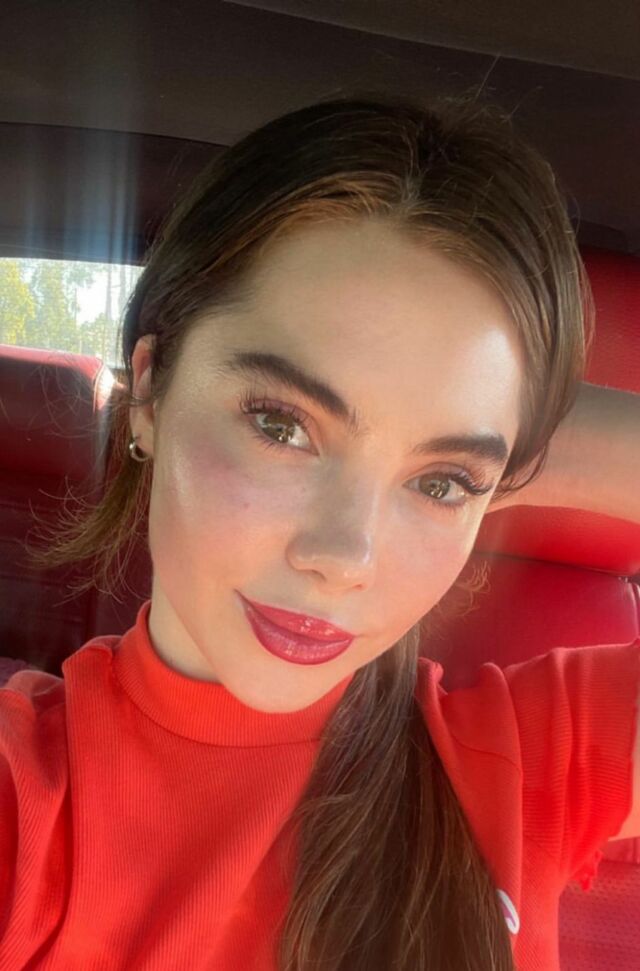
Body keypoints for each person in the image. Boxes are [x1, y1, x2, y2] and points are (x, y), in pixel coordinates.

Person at [1, 92, 639, 971]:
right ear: (148, 389)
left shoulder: (530, 755)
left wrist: (516, 436)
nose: (345, 558)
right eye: (282, 424)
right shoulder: (27, 796)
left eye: (442, 481)